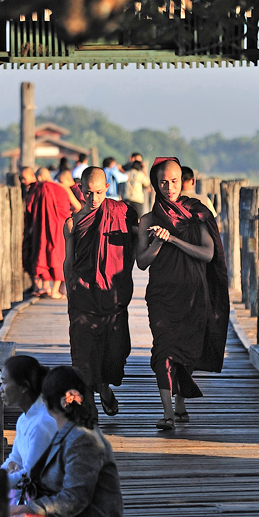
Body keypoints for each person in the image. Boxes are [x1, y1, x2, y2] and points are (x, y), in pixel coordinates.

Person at [136, 157, 229, 430]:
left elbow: (208, 253)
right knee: (163, 351)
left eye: (174, 181)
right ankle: (167, 414)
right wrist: (157, 242)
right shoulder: (148, 220)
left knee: (186, 352)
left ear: (182, 181)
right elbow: (142, 262)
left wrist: (173, 239)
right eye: (163, 182)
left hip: (193, 294)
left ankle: (180, 403)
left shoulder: (196, 214)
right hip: (162, 297)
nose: (169, 187)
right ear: (155, 183)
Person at [8, 366, 125, 517]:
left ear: (47, 402)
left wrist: (26, 508)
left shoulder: (83, 439)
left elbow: (74, 499)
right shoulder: (66, 433)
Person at [64, 167, 139, 417]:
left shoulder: (122, 213)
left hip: (113, 296)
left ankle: (104, 389)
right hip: (83, 296)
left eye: (98, 192)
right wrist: (70, 291)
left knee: (113, 354)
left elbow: (136, 243)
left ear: (107, 188)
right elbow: (68, 260)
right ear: (80, 189)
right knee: (84, 354)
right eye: (87, 193)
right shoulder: (73, 223)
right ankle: (90, 407)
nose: (93, 199)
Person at [1, 356, 59, 504]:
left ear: (24, 387)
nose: (0, 389)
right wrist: (7, 467)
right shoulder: (24, 419)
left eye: (4, 382)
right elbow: (14, 458)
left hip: (48, 503)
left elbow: (30, 476)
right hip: (29, 495)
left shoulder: (42, 423)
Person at [25, 167, 74, 298]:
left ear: (39, 178)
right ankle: (55, 291)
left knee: (43, 254)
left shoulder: (39, 189)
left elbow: (29, 207)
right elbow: (78, 206)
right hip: (60, 226)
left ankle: (45, 287)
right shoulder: (63, 188)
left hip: (43, 227)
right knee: (58, 254)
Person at [19, 167, 39, 294]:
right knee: (28, 254)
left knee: (35, 255)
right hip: (29, 226)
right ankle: (33, 284)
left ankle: (38, 285)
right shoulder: (30, 190)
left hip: (35, 226)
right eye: (21, 178)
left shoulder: (38, 189)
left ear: (32, 175)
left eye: (24, 178)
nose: (22, 181)